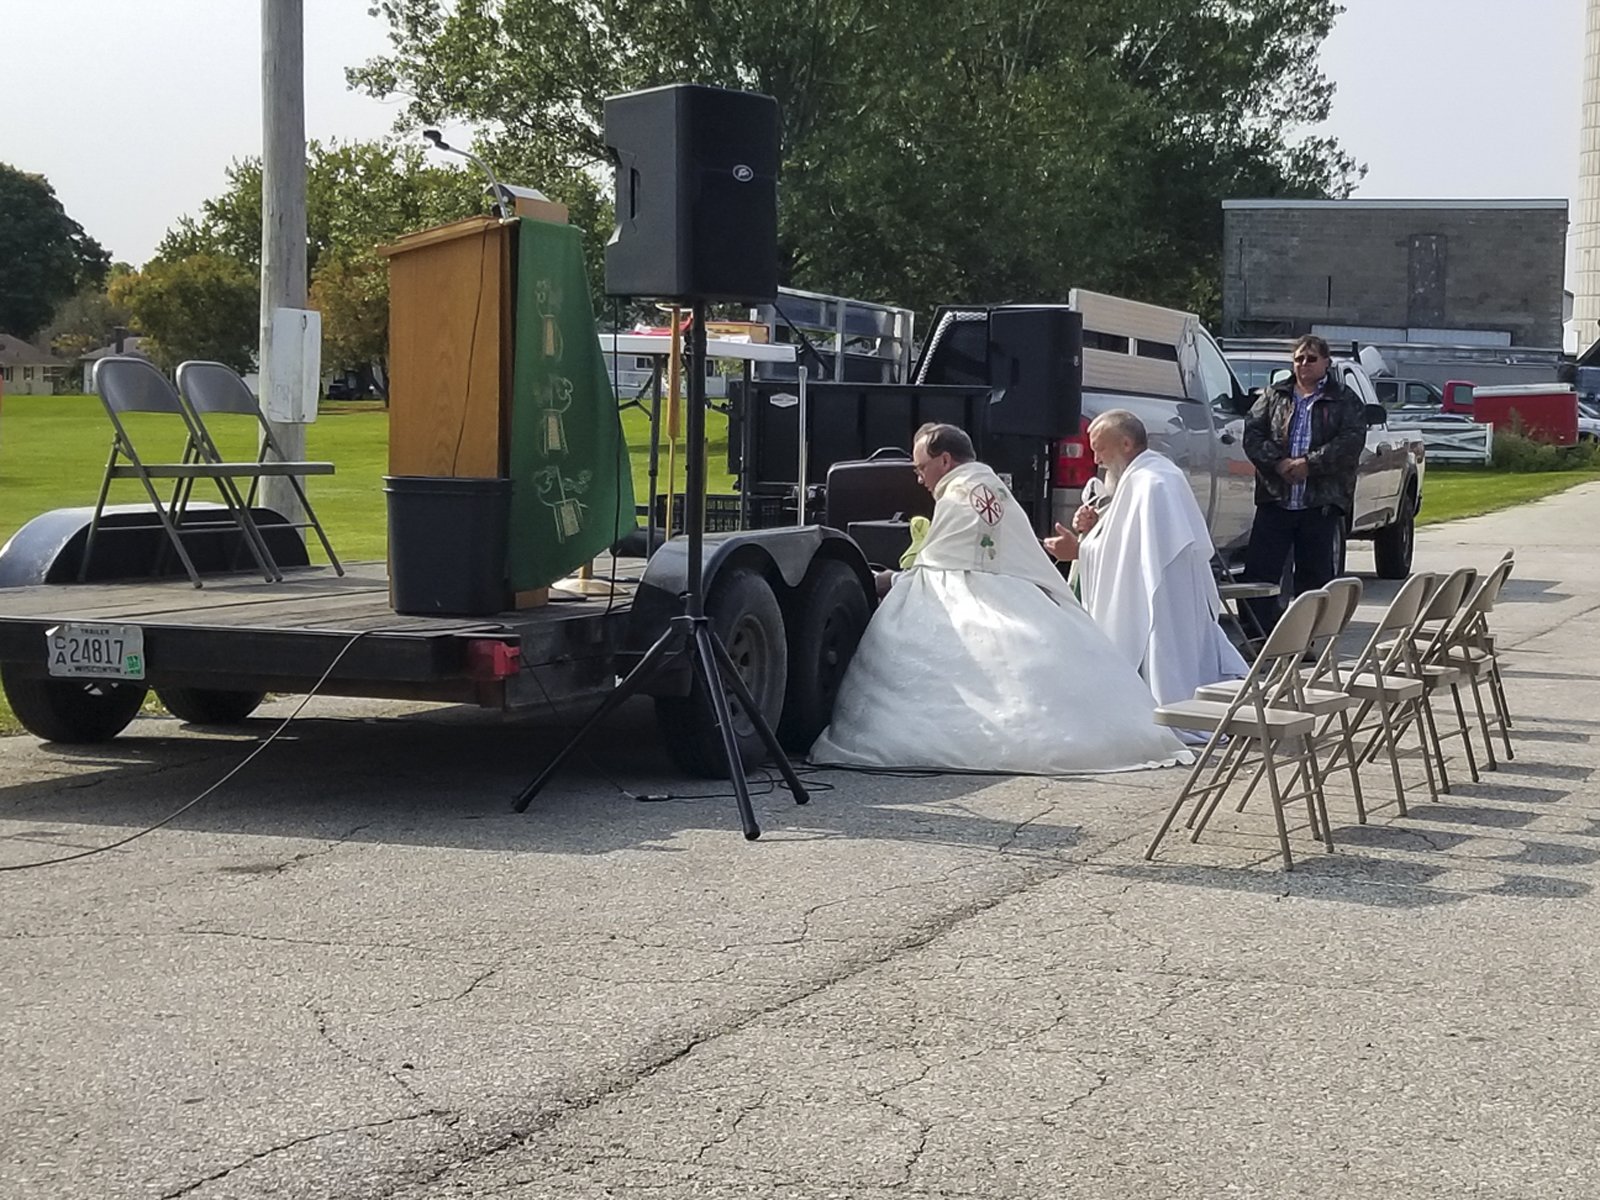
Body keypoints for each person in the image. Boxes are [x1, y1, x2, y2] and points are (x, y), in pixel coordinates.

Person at [810, 423, 1188, 775]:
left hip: (968, 595)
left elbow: (939, 564)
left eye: (922, 467)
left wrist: (891, 580)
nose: (919, 477)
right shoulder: (992, 485)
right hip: (1017, 589)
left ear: (945, 460)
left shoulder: (959, 492)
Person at [1043, 411, 1248, 715]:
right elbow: (1127, 537)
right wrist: (1093, 526)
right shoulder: (1148, 474)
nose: (1096, 460)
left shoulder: (1153, 483)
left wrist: (1079, 551)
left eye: (1099, 448)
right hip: (1170, 602)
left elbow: (1138, 558)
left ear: (1126, 444)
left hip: (1162, 607)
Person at [1240, 335, 1366, 632]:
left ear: (1326, 362)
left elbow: (1351, 441)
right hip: (1276, 499)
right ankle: (1256, 636)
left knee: (1314, 577)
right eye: (1299, 359)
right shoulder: (1275, 395)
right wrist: (1278, 462)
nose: (1304, 364)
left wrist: (1310, 464)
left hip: (1319, 502)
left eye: (1311, 359)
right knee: (1260, 572)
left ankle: (1307, 637)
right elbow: (1252, 434)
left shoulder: (1344, 399)